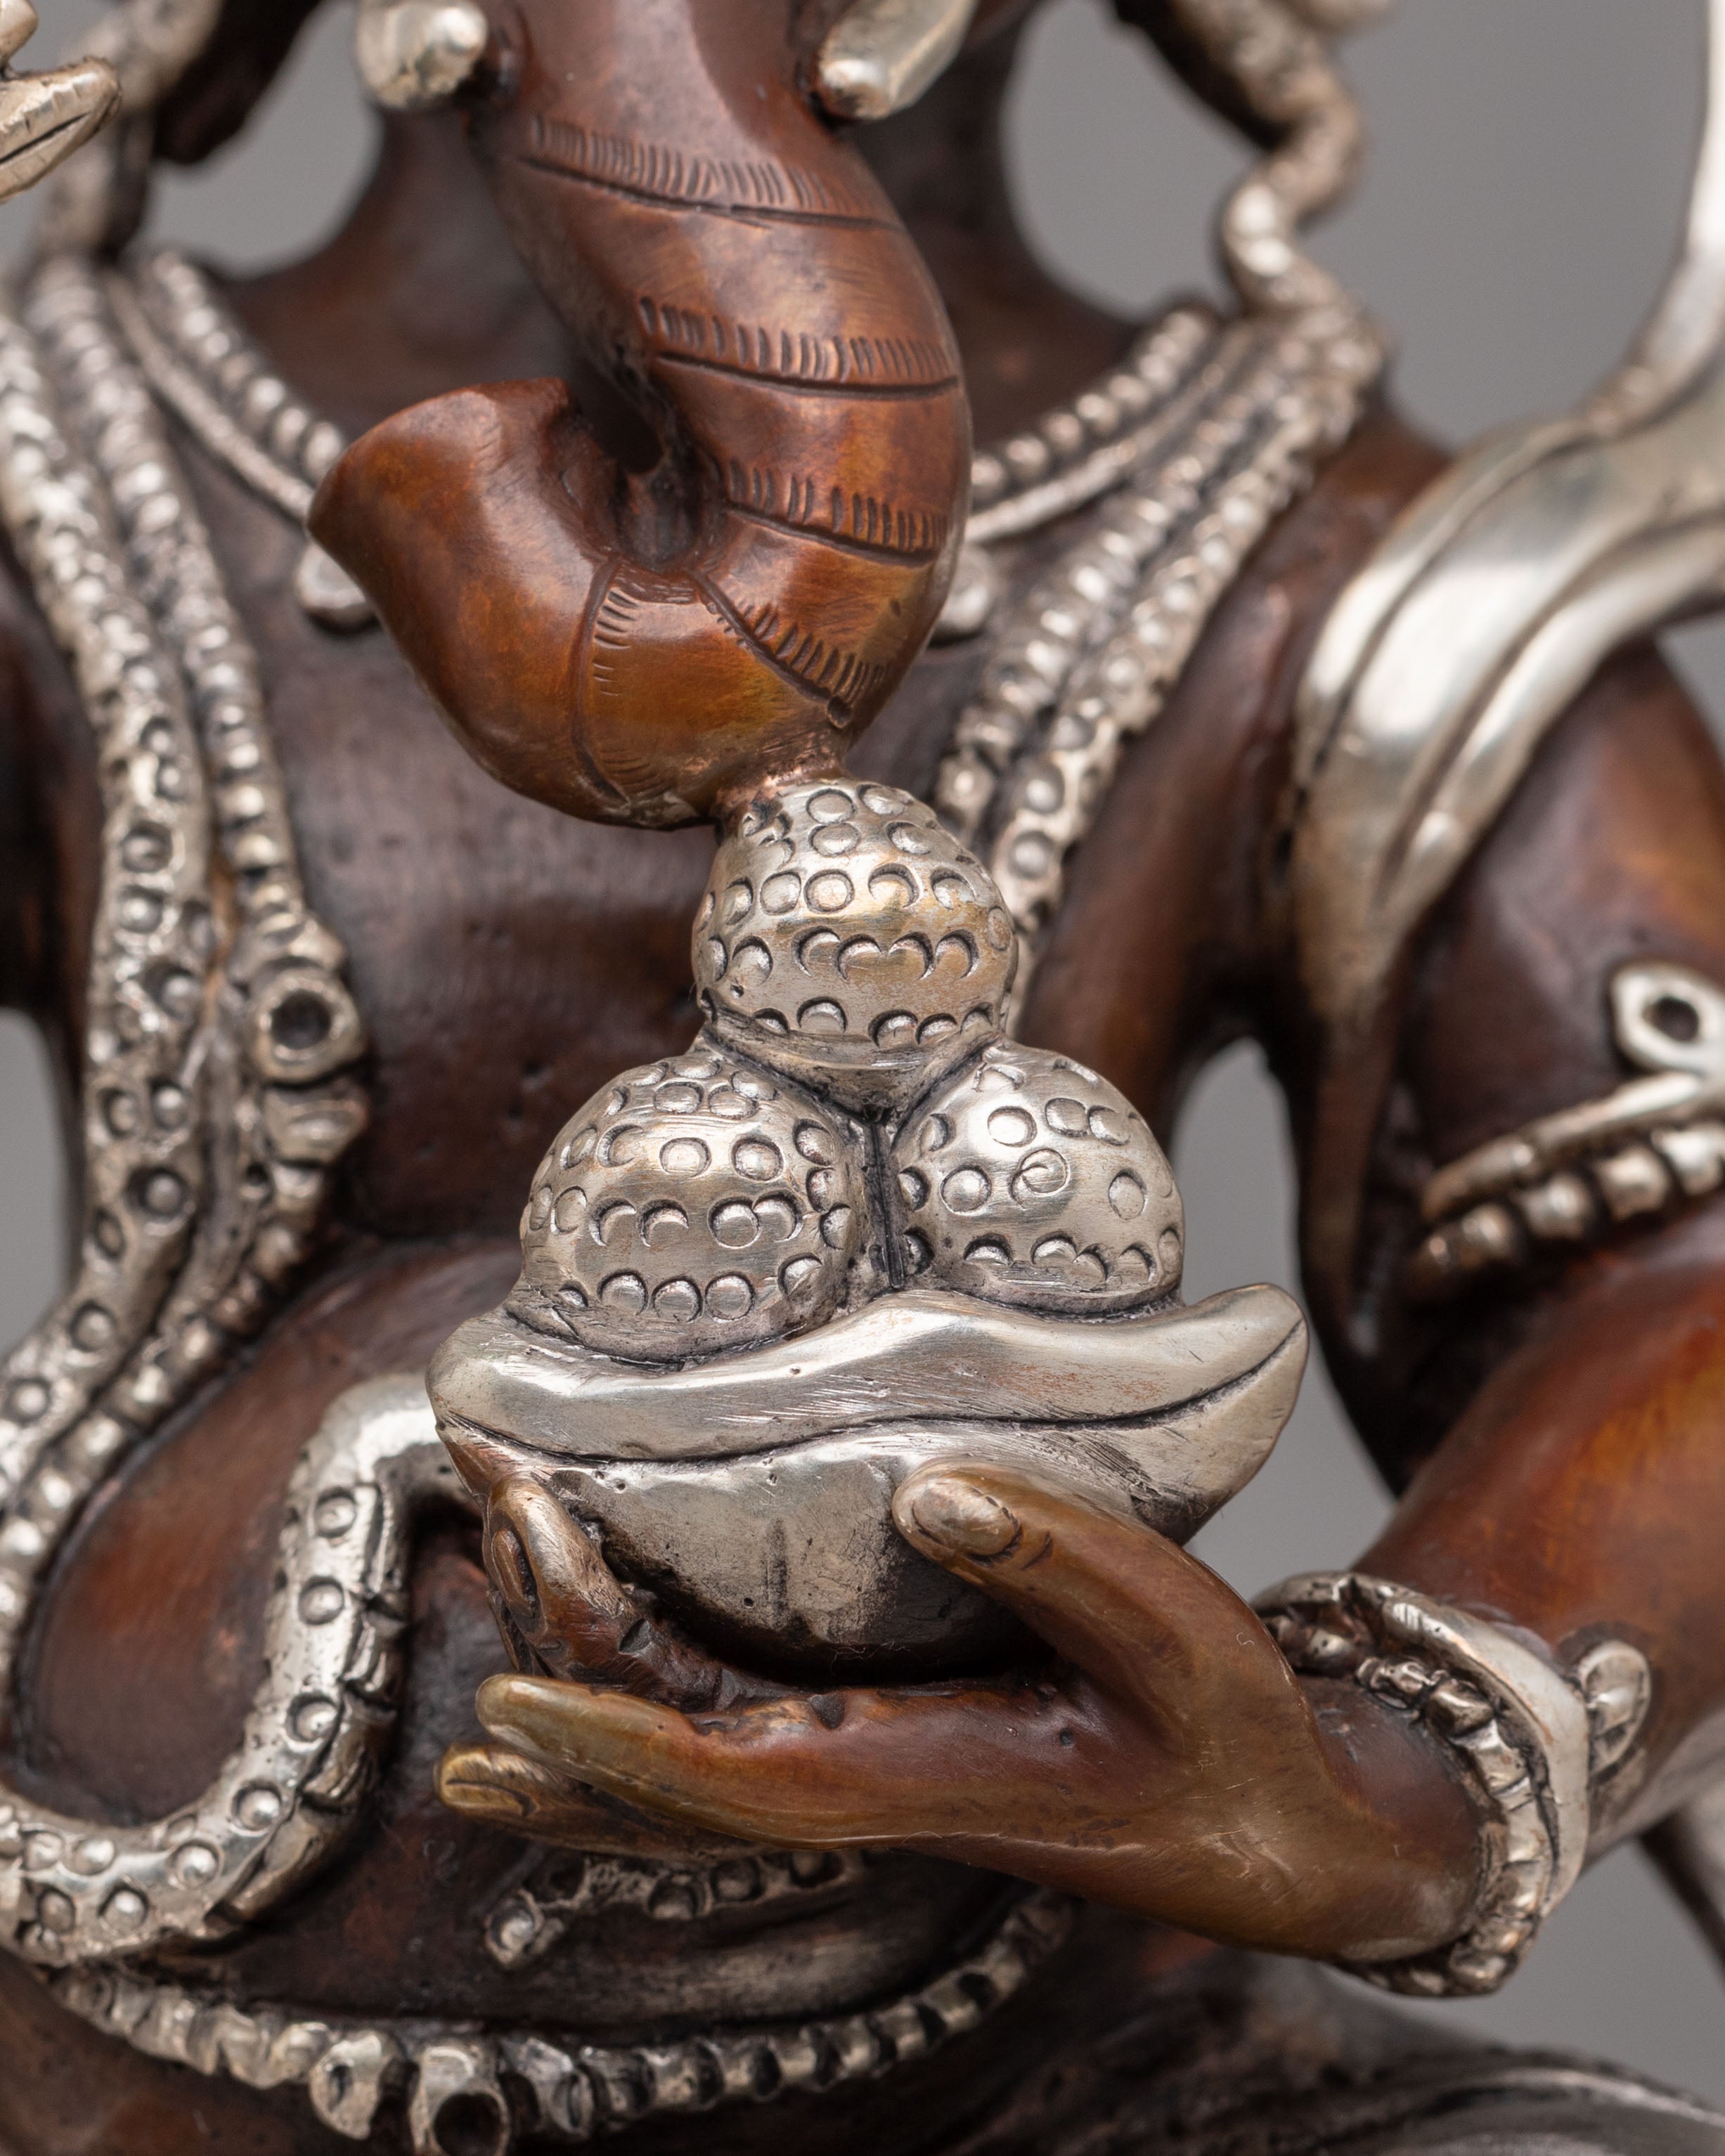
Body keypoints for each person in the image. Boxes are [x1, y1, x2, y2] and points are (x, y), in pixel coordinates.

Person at [1, 4, 1723, 2151]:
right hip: (85, 2039)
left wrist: (1396, 1773)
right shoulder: (53, 458)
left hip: (1061, 2072)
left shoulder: (1329, 563)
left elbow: (1677, 1274)